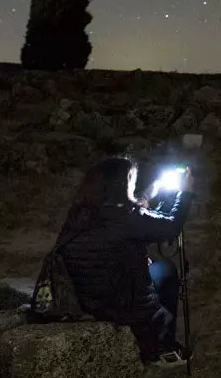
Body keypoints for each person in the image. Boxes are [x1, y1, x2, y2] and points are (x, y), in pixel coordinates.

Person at [45, 154, 192, 365]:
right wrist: (185, 193)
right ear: (121, 185)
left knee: (152, 268)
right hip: (120, 304)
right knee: (166, 270)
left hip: (86, 300)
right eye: (131, 180)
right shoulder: (126, 216)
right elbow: (170, 227)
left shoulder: (80, 214)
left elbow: (119, 236)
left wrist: (151, 193)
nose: (133, 185)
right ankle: (161, 344)